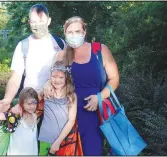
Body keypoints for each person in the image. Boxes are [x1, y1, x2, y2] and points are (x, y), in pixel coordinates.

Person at [45, 16, 119, 155]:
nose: (74, 35)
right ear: (65, 34)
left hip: (92, 116)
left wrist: (100, 97)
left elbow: (114, 79)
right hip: (65, 116)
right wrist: (47, 84)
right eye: (70, 32)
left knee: (92, 151)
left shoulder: (99, 50)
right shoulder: (60, 56)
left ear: (84, 33)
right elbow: (56, 79)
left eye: (78, 31)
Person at [0, 4, 65, 113]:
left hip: (55, 103)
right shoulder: (23, 46)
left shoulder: (60, 44)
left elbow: (66, 73)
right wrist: (7, 99)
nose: (38, 25)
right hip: (29, 104)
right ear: (29, 23)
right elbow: (15, 78)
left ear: (49, 21)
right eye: (33, 22)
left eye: (41, 21)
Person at [38, 61, 77, 155]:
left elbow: (71, 120)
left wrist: (58, 142)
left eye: (61, 77)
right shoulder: (47, 91)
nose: (57, 80)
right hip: (45, 138)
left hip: (64, 141)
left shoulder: (71, 96)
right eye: (54, 76)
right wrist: (45, 85)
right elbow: (34, 99)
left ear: (66, 78)